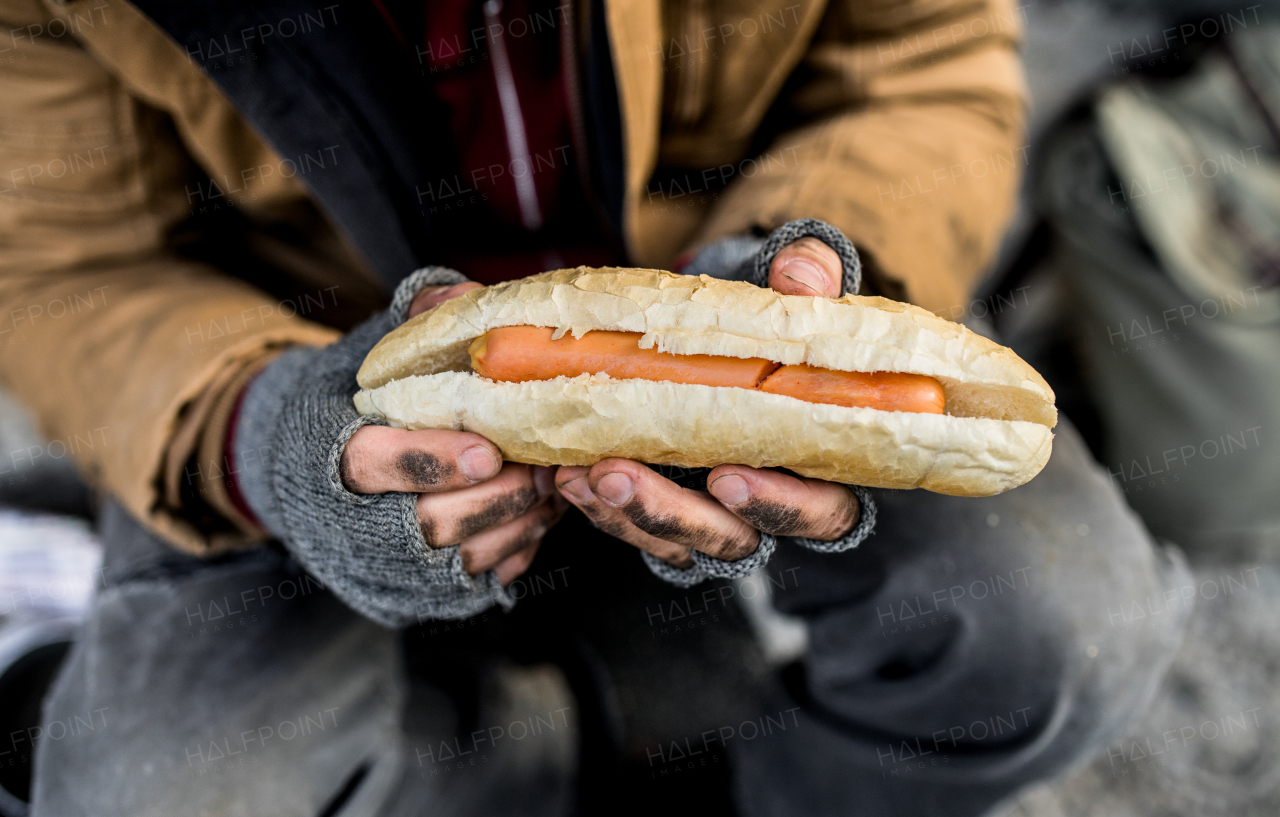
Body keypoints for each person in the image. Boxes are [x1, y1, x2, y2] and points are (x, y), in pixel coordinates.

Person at [0, 0, 1189, 814]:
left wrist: (804, 263)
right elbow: (55, 262)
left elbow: (928, 63)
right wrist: (263, 435)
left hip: (746, 263)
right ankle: (535, 745)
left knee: (1060, 630)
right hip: (298, 348)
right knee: (153, 794)